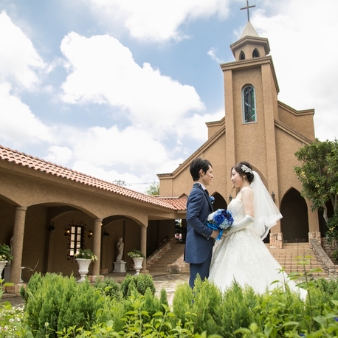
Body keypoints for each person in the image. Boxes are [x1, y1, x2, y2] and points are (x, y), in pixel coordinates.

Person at [209, 161, 307, 300]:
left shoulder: (247, 191)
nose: (231, 178)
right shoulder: (240, 193)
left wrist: (230, 231)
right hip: (234, 236)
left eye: (233, 174)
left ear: (243, 175)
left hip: (240, 235)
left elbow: (249, 218)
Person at [185, 158, 219, 288]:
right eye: (210, 172)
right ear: (201, 172)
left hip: (202, 247)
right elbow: (191, 218)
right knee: (197, 288)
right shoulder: (197, 193)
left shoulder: (201, 192)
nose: (212, 175)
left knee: (201, 287)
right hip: (199, 249)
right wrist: (211, 233)